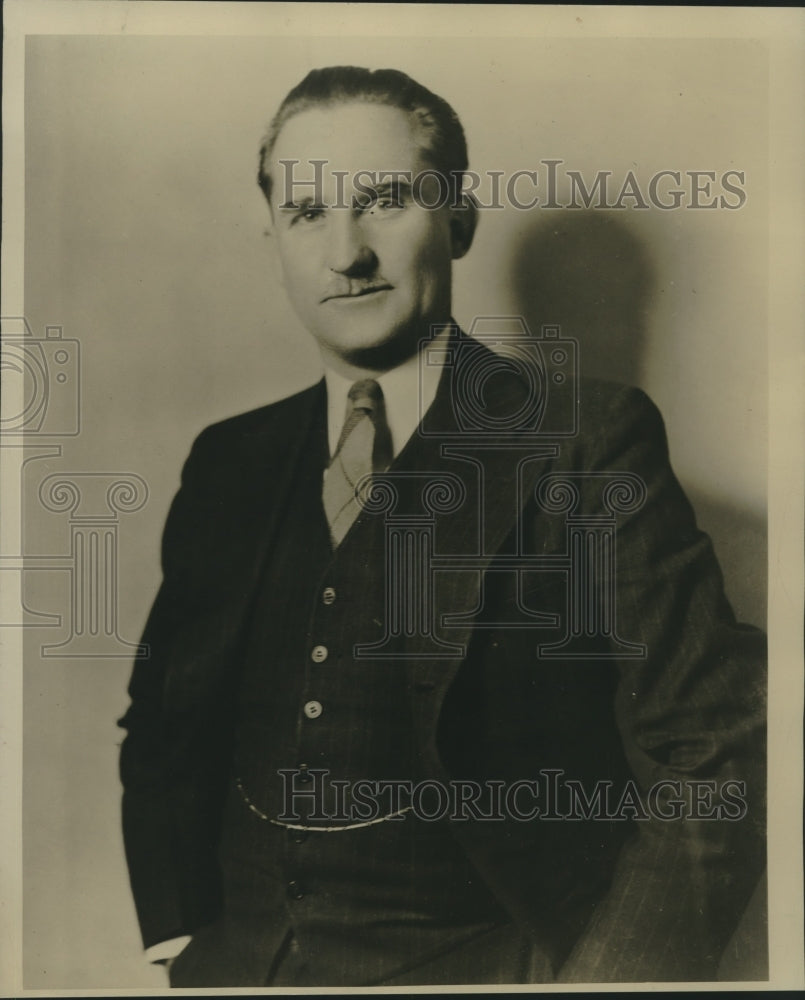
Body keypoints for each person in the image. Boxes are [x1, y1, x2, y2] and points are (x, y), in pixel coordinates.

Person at [117, 66, 766, 987]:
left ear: (458, 220)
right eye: (307, 213)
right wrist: (182, 935)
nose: (346, 253)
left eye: (382, 201)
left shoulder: (585, 443)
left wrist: (608, 981)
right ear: (273, 237)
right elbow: (164, 722)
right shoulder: (230, 461)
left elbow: (720, 748)